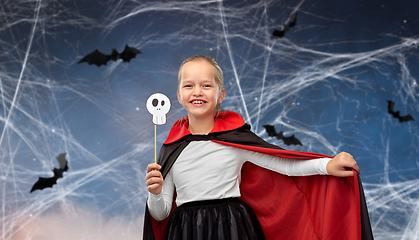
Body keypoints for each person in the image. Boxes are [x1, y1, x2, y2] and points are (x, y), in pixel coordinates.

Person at [143, 55, 372, 240]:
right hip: (186, 230)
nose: (197, 92)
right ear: (179, 96)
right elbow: (160, 212)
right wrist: (154, 194)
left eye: (206, 85)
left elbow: (283, 164)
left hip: (232, 226)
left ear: (220, 95)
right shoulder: (170, 149)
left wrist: (327, 165)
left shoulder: (235, 139)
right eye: (189, 85)